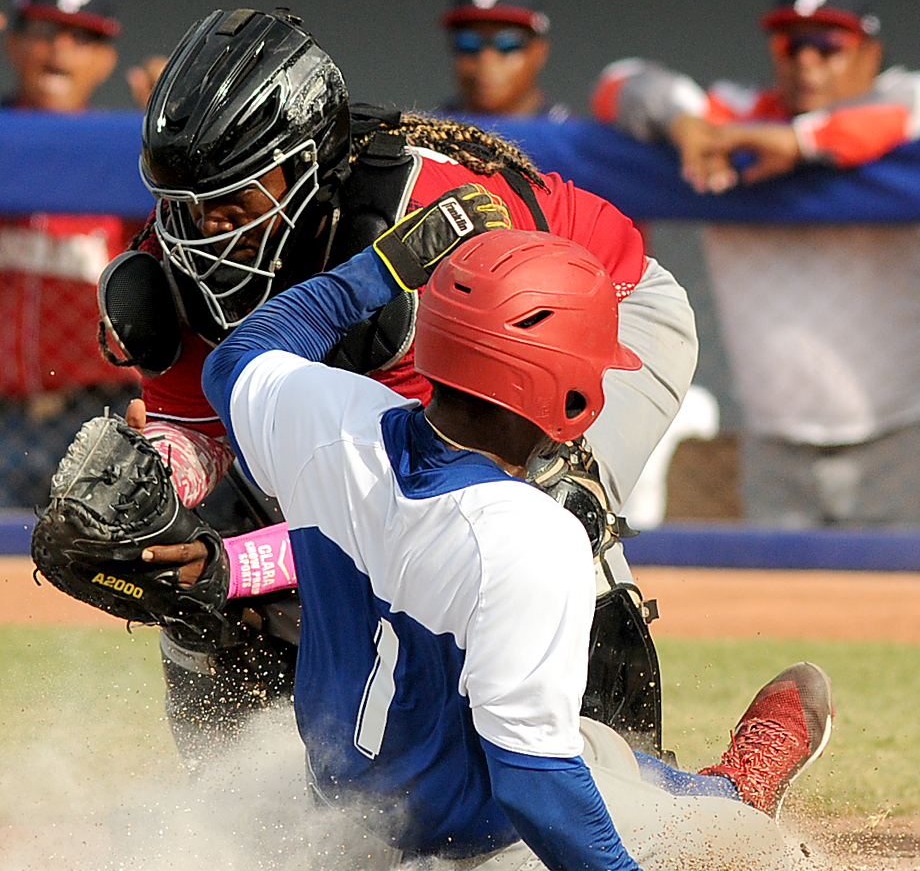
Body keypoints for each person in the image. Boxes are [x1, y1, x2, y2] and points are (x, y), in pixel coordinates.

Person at [94, 5, 697, 757]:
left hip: (597, 313)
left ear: (306, 168)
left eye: (229, 197)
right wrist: (157, 492)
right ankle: (236, 796)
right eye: (180, 205)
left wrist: (235, 567)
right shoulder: (172, 269)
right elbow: (207, 435)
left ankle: (631, 776)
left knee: (546, 510)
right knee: (196, 552)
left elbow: (405, 505)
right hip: (434, 382)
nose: (200, 230)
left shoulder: (422, 236)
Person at [189, 219, 832, 871]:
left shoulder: (329, 417)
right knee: (745, 849)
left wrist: (381, 267)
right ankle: (735, 804)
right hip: (486, 852)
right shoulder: (529, 533)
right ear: (569, 392)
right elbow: (533, 785)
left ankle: (715, 788)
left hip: (339, 820)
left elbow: (238, 357)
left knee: (588, 747)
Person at [592, 0, 920, 526]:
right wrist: (681, 124)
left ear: (869, 54)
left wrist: (797, 142)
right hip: (774, 449)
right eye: (792, 46)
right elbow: (619, 82)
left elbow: (904, 107)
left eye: (827, 46)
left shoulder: (897, 102)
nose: (806, 63)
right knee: (779, 612)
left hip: (898, 440)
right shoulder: (734, 121)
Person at [0, 0, 138, 507]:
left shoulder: (131, 157)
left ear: (106, 60)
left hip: (94, 411)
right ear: (11, 39)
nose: (60, 49)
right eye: (44, 30)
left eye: (83, 38)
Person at [437, 0, 570, 120]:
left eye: (507, 44)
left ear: (539, 52)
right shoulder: (426, 135)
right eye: (468, 43)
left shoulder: (570, 138)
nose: (486, 60)